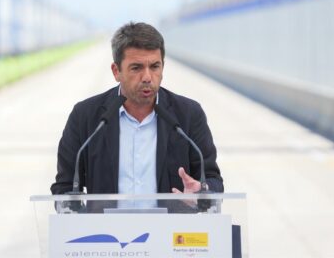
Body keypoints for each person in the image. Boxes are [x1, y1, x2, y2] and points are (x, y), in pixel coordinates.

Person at [50, 22, 223, 195]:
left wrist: (202, 191)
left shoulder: (189, 115)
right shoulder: (85, 116)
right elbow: (64, 187)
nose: (147, 77)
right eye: (136, 68)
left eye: (155, 67)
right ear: (116, 71)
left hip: (171, 215)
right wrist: (75, 204)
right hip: (105, 215)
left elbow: (212, 180)